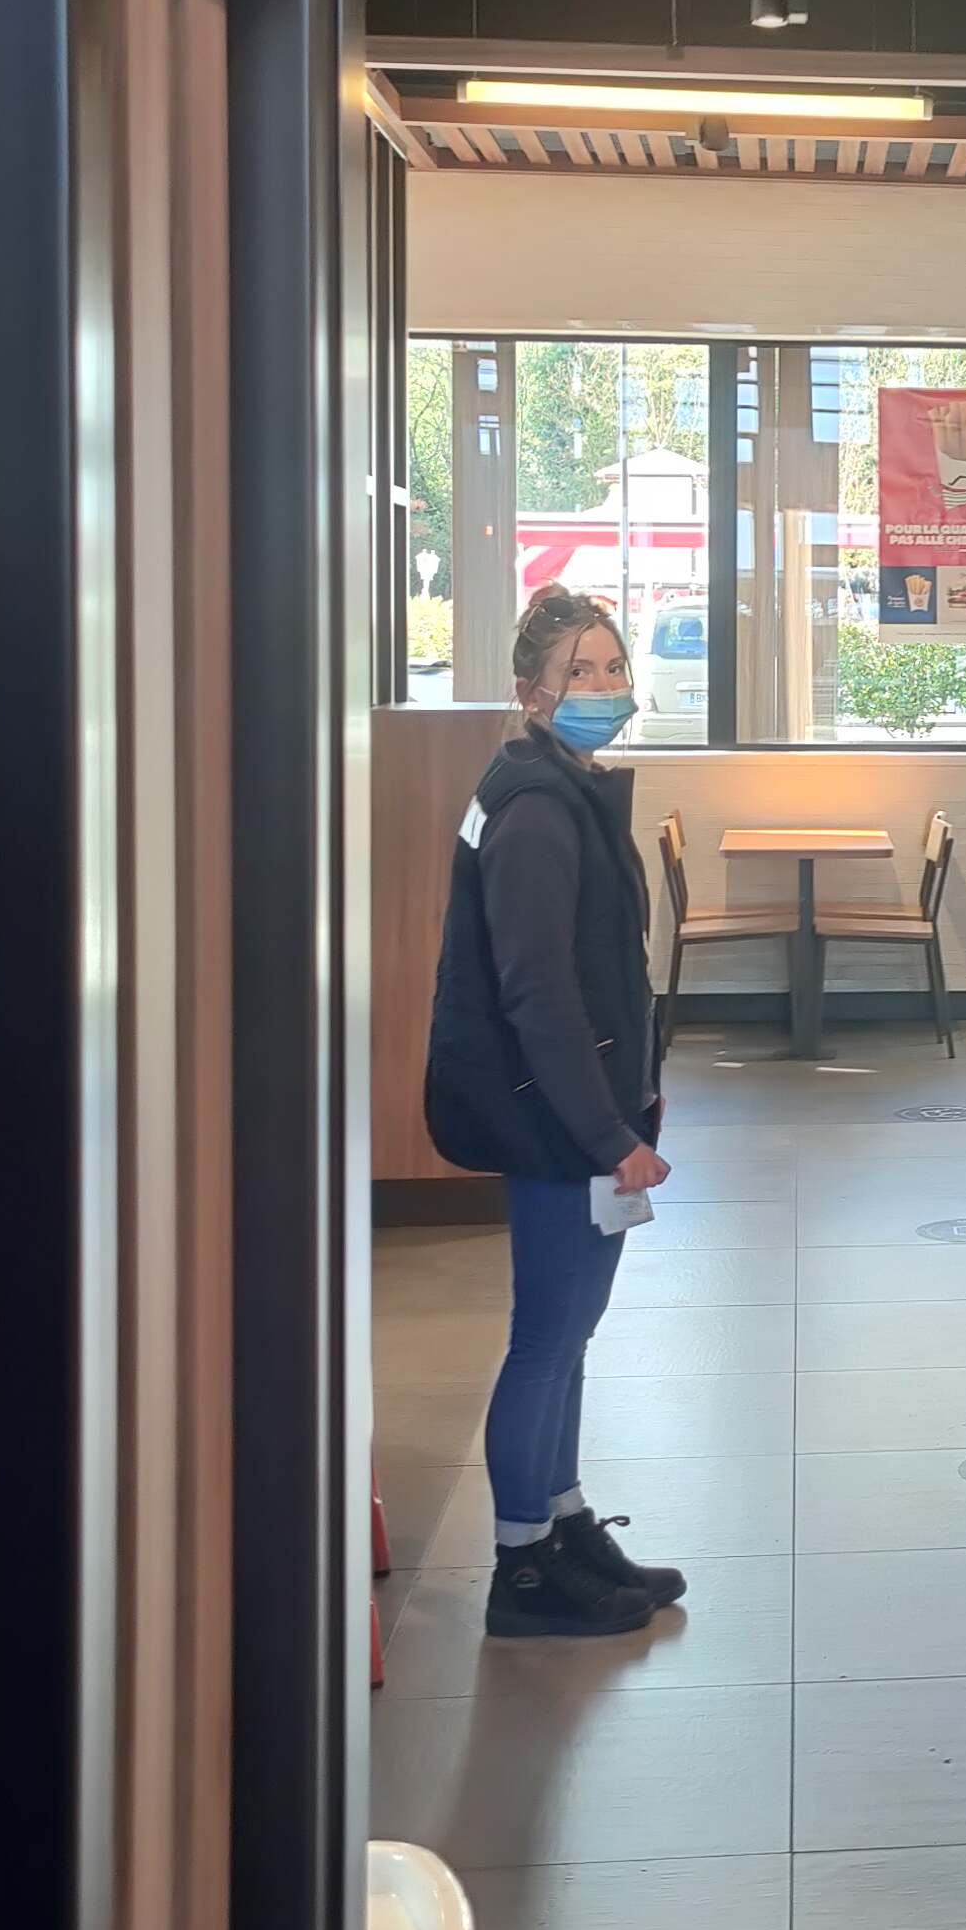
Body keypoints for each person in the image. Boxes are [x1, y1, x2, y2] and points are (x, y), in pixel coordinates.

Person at [425, 585, 687, 1640]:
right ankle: (521, 1564)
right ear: (530, 691)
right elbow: (539, 992)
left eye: (613, 666)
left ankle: (565, 1521)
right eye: (579, 671)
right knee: (545, 1337)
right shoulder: (535, 809)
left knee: (573, 1334)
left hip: (591, 1108)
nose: (603, 685)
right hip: (556, 1122)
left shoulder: (565, 788)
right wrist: (609, 1135)